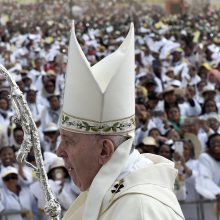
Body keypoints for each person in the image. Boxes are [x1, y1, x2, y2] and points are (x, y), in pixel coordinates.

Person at [56, 22, 184, 220]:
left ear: (105, 150)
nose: (59, 151)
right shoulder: (109, 193)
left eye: (69, 141)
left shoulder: (141, 209)